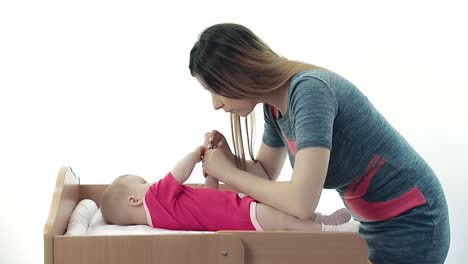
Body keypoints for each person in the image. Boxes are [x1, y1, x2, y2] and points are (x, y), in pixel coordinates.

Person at [189, 23, 450, 263]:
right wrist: (230, 159)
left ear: (239, 74)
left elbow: (301, 203)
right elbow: (265, 174)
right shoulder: (274, 109)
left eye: (215, 89)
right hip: (372, 224)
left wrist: (227, 172)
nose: (216, 104)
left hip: (413, 223)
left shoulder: (309, 92)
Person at [99, 146, 359, 232]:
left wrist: (210, 173)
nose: (152, 183)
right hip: (239, 215)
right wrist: (196, 153)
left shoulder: (164, 213)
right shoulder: (154, 199)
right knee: (284, 218)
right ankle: (326, 230)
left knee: (284, 212)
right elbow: (178, 174)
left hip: (236, 210)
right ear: (134, 199)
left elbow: (207, 198)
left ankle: (324, 220)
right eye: (143, 182)